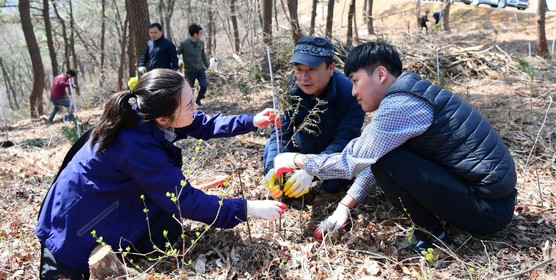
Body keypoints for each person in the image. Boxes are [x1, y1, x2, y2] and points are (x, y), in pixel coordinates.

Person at [272, 41, 517, 255]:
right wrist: (344, 206)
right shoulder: (411, 93)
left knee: (386, 160)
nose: (354, 92)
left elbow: (354, 162)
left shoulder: (401, 105)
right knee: (386, 157)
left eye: (356, 81)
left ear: (380, 74)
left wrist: (298, 161)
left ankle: (432, 238)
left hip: (487, 210)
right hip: (493, 201)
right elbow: (374, 159)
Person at [36, 69, 284, 279]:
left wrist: (251, 121)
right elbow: (183, 199)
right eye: (189, 104)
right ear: (164, 118)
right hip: (73, 231)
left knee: (167, 223)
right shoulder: (136, 145)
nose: (195, 107)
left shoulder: (145, 113)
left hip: (97, 207)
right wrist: (248, 208)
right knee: (167, 221)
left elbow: (202, 122)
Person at [262, 36, 365, 198]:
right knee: (271, 150)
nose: (304, 77)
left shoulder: (350, 93)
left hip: (334, 155)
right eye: (299, 69)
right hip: (301, 151)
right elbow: (281, 135)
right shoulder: (288, 89)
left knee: (334, 186)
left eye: (311, 69)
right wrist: (273, 168)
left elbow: (345, 139)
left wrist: (312, 170)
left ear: (331, 68)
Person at [178, 24, 209, 106]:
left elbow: (203, 55)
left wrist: (207, 65)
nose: (201, 35)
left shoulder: (201, 43)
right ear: (195, 34)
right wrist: (178, 61)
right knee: (188, 89)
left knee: (204, 86)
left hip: (200, 69)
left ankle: (198, 100)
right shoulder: (184, 44)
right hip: (189, 71)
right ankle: (188, 104)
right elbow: (176, 53)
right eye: (200, 33)